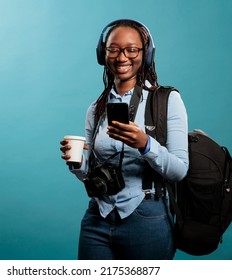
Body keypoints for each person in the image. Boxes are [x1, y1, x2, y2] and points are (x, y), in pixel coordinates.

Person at [60, 19, 189, 260]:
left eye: (132, 50)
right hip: (97, 217)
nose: (122, 58)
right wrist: (77, 163)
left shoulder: (167, 101)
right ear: (103, 53)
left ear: (146, 54)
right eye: (113, 49)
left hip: (147, 218)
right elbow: (90, 172)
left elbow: (179, 171)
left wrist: (145, 145)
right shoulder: (95, 109)